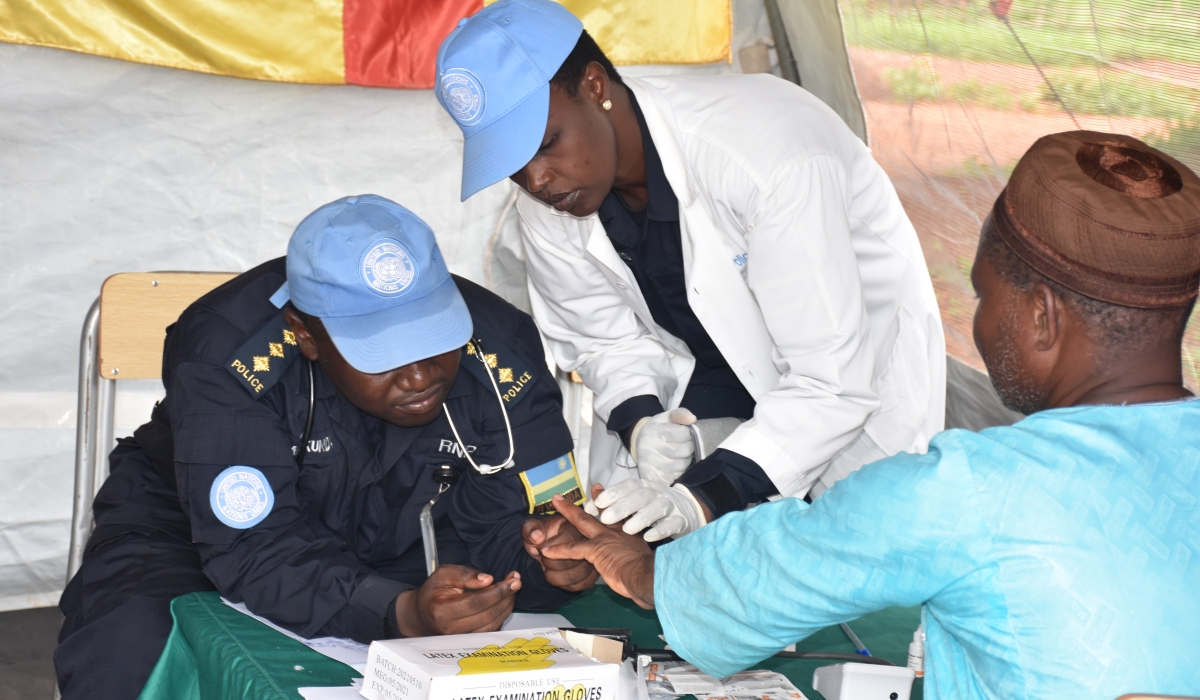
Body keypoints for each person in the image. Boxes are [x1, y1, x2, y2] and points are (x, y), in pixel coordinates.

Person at [532, 132, 1200, 699]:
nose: (979, 319)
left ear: (1041, 317)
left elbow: (783, 566)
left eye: (982, 293)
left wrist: (641, 568)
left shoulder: (973, 491)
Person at [434, 0, 946, 542]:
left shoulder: (762, 152)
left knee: (870, 567)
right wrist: (643, 424)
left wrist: (701, 497)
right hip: (717, 384)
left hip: (855, 392)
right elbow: (601, 339)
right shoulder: (556, 196)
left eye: (544, 144)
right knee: (721, 573)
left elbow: (831, 382)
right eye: (511, 166)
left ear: (594, 85)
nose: (535, 180)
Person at [55, 195, 598, 699]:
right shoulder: (230, 358)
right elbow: (252, 548)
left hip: (413, 544)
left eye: (435, 338)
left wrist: (547, 559)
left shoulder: (504, 355)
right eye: (383, 352)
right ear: (305, 335)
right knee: (128, 653)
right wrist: (401, 612)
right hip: (189, 534)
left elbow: (506, 528)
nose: (419, 376)